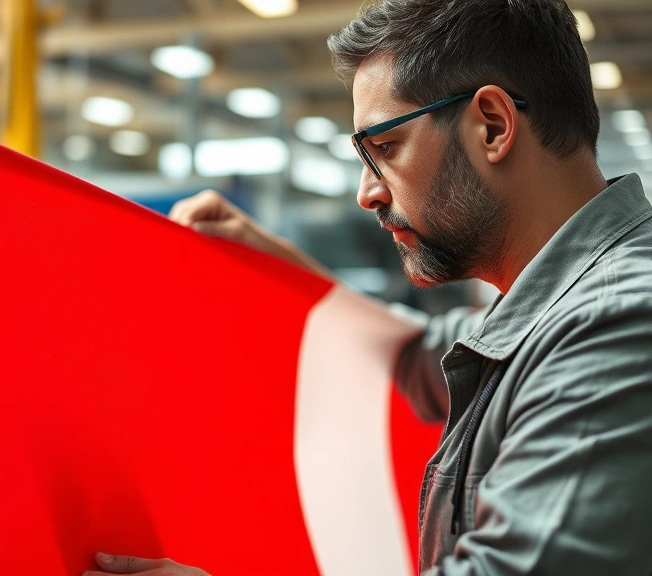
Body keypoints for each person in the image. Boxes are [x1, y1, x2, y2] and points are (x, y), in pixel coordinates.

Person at [82, 0, 652, 575]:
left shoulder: (621, 322)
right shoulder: (549, 308)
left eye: (384, 148)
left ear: (493, 126)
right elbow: (414, 353)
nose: (368, 193)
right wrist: (290, 274)